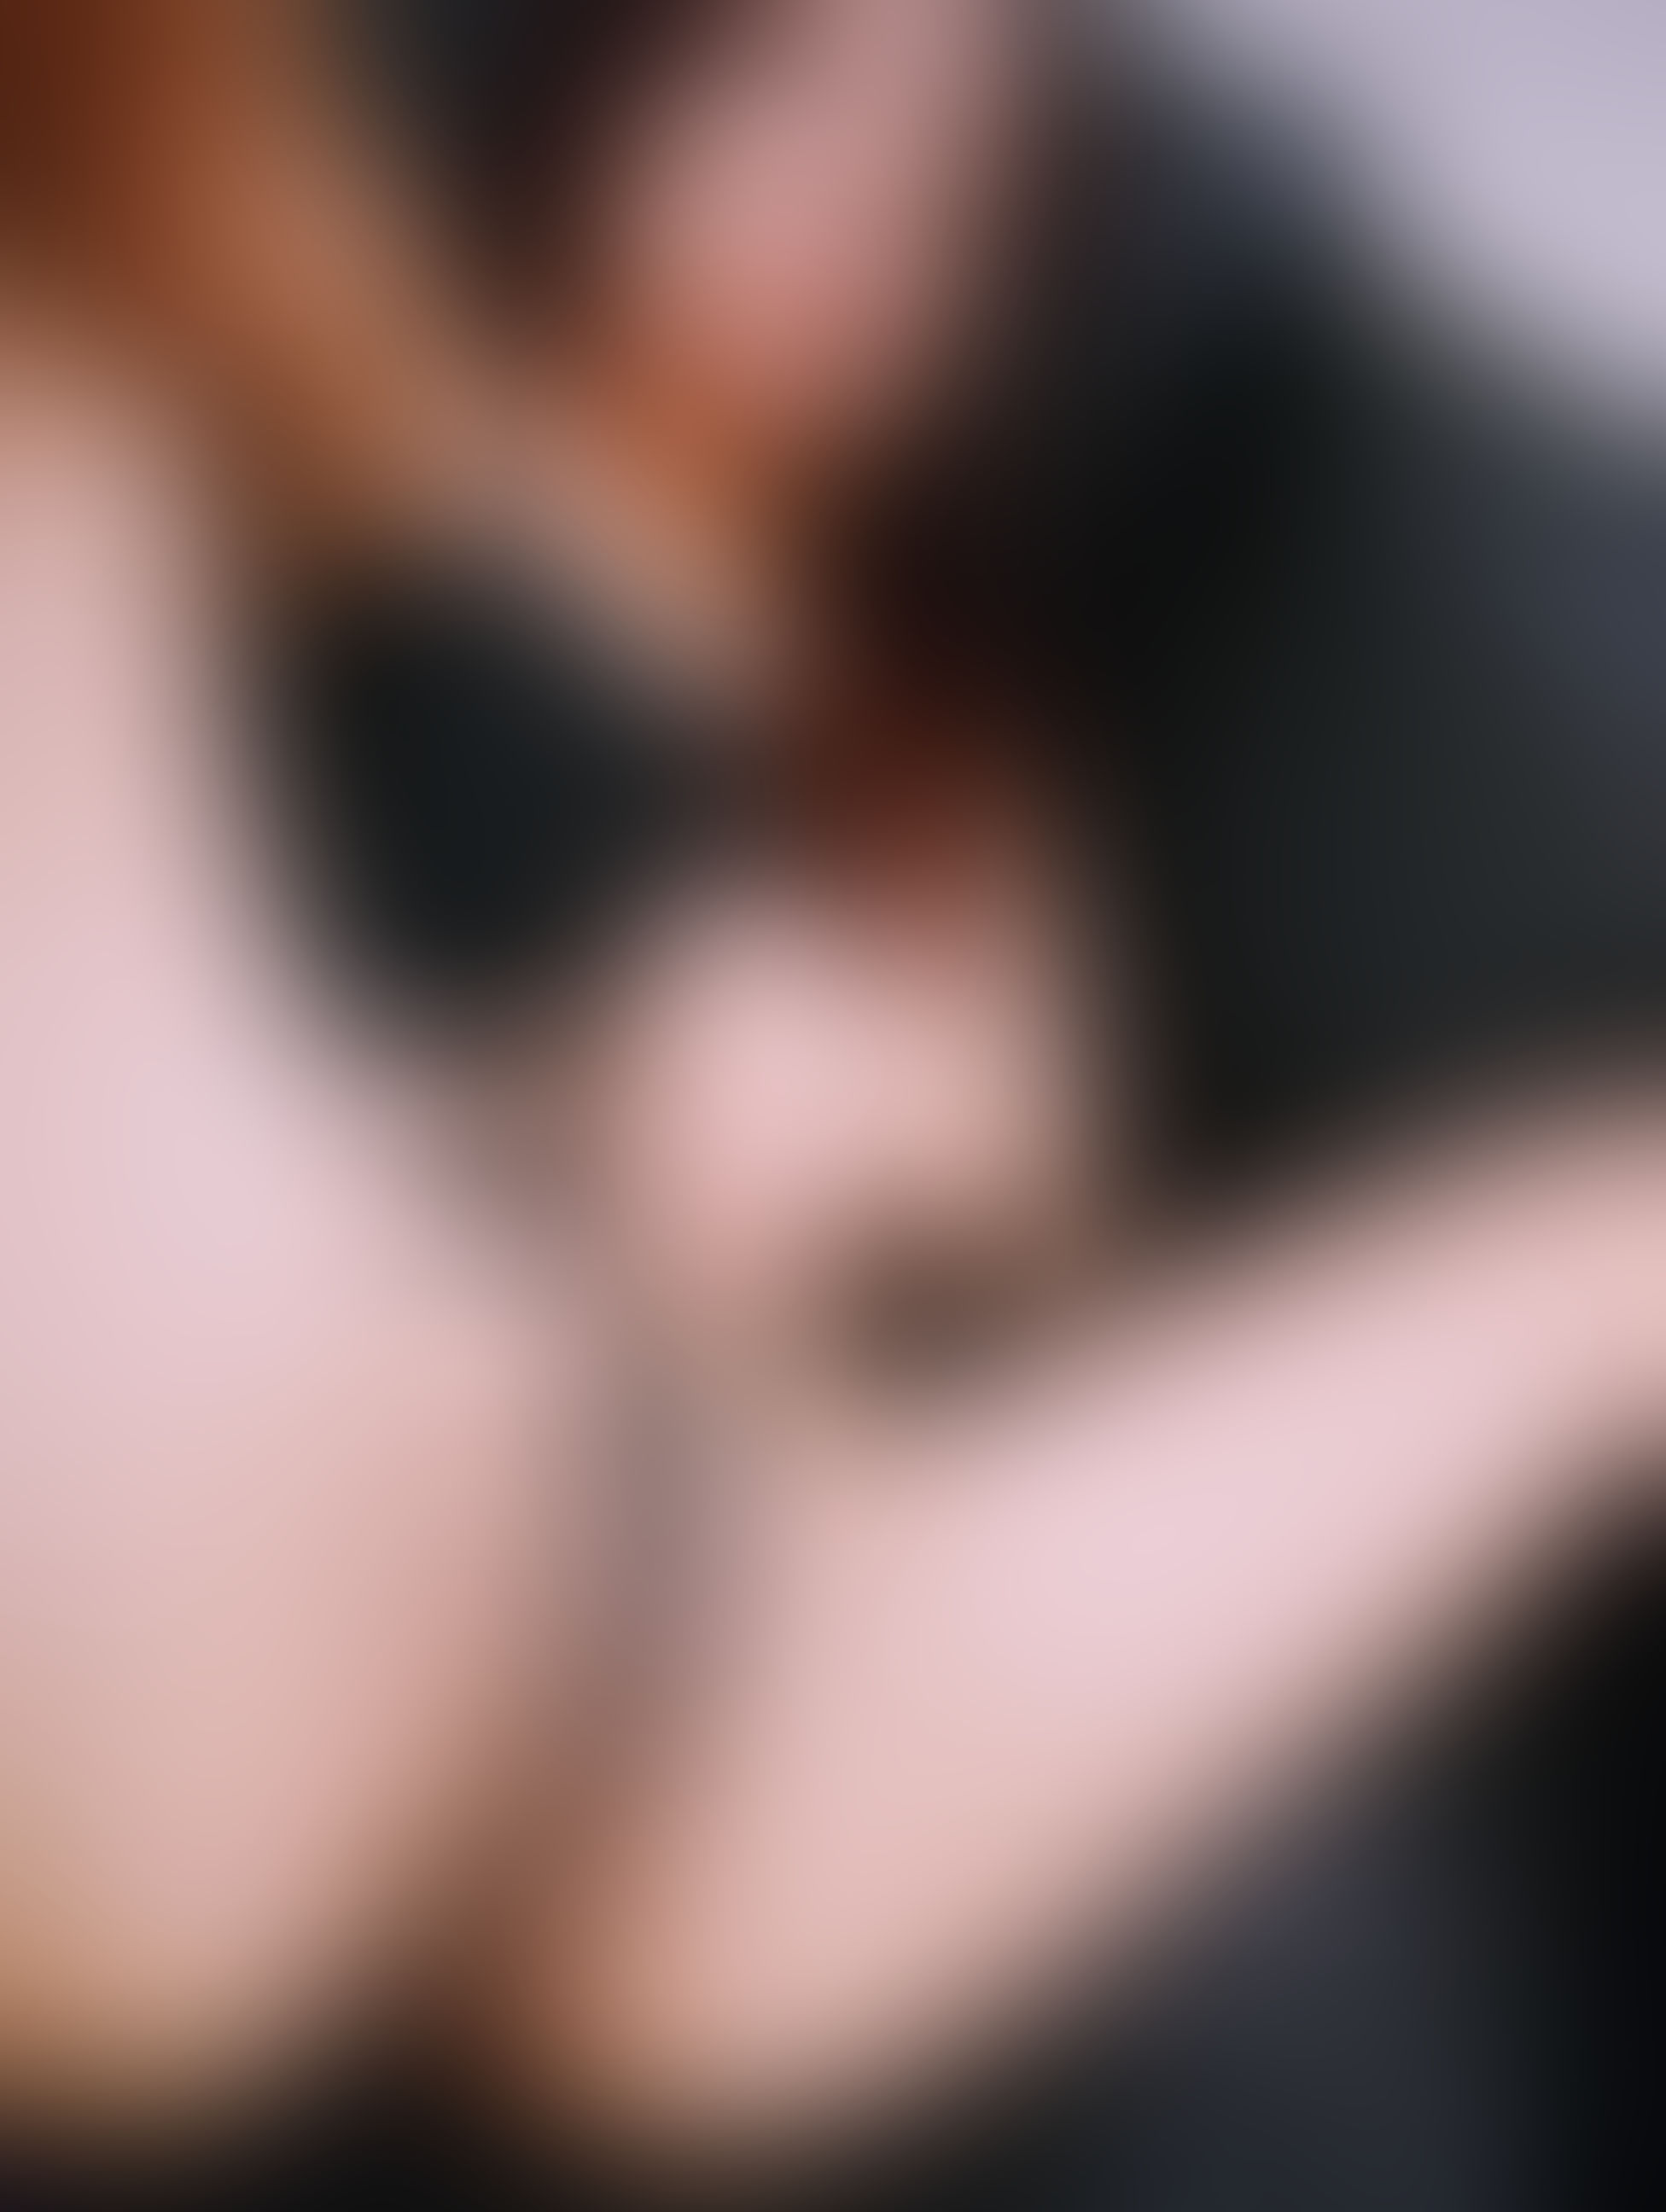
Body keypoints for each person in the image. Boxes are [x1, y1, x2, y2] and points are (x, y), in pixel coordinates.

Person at [3, 5, 1663, 2205]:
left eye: (939, 207)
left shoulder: (932, 753)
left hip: (700, 1561)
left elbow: (1036, 1241)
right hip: (369, 1450)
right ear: (630, 103)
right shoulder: (369, 445)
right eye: (793, 114)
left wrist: (880, 1149)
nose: (848, 231)